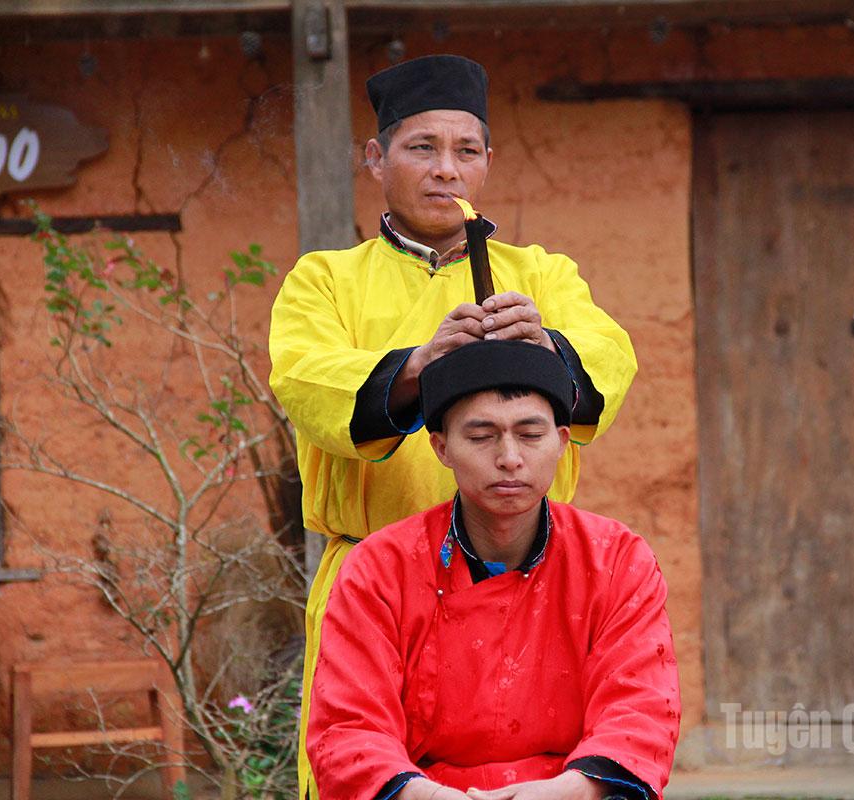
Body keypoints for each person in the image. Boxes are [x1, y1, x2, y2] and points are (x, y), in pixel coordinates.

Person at [268, 54, 638, 797]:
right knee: (366, 771)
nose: (447, 171)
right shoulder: (326, 281)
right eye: (421, 148)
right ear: (376, 159)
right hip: (374, 585)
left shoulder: (541, 275)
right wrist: (420, 366)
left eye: (466, 151)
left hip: (526, 581)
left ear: (488, 164)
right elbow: (305, 383)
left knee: (523, 761)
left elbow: (610, 362)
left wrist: (546, 345)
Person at [306, 340, 679, 800]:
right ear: (441, 447)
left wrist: (572, 790)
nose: (509, 458)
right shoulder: (379, 568)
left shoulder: (615, 559)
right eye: (481, 437)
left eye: (530, 434)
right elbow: (348, 728)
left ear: (562, 441)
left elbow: (640, 709)